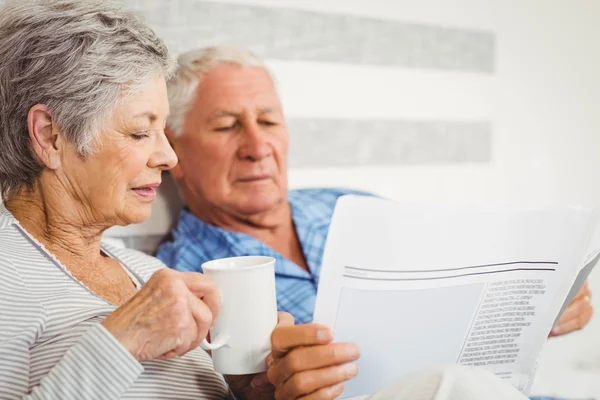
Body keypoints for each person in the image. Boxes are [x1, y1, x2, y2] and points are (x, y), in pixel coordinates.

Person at [0, 2, 362, 399]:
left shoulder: (148, 272)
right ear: (50, 136)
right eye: (140, 132)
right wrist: (123, 341)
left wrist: (253, 391)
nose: (168, 158)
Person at [156, 46, 593, 336]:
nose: (257, 147)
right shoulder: (187, 282)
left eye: (268, 122)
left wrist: (535, 307)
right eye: (227, 126)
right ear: (174, 151)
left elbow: (467, 287)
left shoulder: (351, 206)